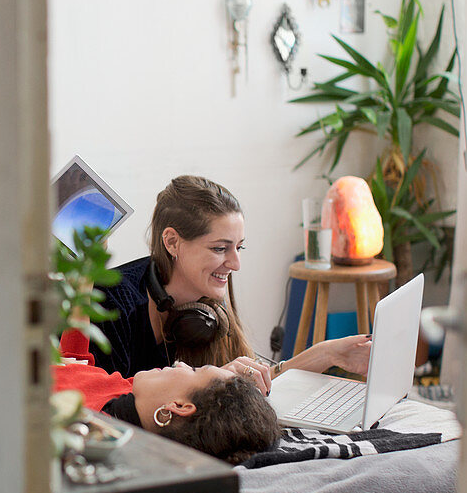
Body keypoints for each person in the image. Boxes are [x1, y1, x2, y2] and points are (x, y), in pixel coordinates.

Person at [89, 175, 372, 392]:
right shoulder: (110, 301)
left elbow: (254, 378)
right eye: (220, 249)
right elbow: (110, 408)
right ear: (172, 242)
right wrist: (208, 382)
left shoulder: (207, 296)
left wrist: (328, 353)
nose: (235, 264)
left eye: (239, 248)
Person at [52, 355, 280, 465]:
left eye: (194, 369)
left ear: (179, 406)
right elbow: (77, 362)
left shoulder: (76, 423)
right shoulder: (132, 392)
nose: (180, 363)